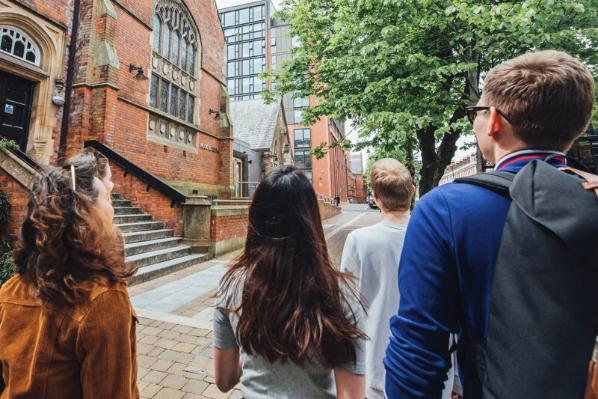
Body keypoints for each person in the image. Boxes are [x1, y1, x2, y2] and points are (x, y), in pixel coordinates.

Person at [384, 50, 597, 398]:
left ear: (494, 120)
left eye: (476, 111)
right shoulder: (592, 197)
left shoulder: (445, 209)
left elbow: (418, 351)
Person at [213, 165, 367, 399]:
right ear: (310, 218)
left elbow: (224, 380)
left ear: (256, 217)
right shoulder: (340, 292)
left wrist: (255, 353)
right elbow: (351, 395)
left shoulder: (232, 284)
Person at [0, 149, 139, 398]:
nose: (113, 210)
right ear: (86, 216)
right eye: (108, 198)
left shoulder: (10, 289)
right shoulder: (103, 299)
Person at [340, 158, 417, 399]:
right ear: (412, 191)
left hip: (376, 362)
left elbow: (346, 307)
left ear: (375, 197)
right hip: (429, 366)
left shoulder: (359, 240)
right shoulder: (436, 237)